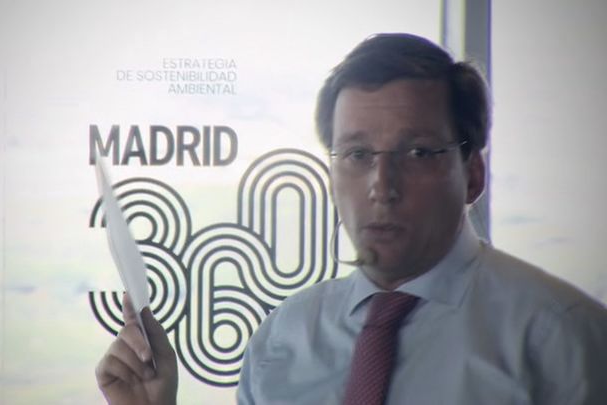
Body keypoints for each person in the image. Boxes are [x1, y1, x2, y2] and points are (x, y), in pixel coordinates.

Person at [95, 33, 607, 404]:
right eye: (358, 155)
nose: (382, 186)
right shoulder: (282, 338)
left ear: (472, 175)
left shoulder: (567, 342)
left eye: (417, 153)